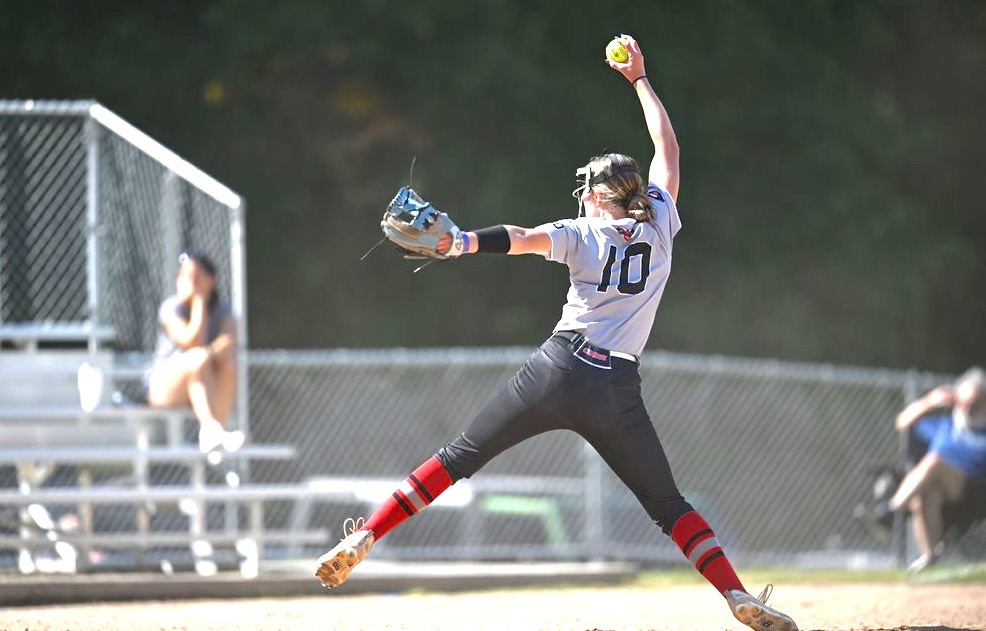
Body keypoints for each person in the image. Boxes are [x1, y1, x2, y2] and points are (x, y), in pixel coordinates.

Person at [316, 34, 798, 631]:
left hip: (558, 368)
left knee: (457, 457)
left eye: (587, 192)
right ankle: (735, 595)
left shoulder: (581, 232)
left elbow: (519, 236)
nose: (583, 198)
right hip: (616, 389)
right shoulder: (662, 225)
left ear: (598, 198)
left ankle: (366, 536)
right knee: (669, 507)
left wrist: (459, 242)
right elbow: (666, 146)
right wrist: (640, 80)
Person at [145, 251, 244, 454]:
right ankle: (211, 430)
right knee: (197, 357)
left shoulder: (223, 309)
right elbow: (193, 341)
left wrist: (209, 354)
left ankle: (217, 436)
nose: (189, 281)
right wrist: (199, 300)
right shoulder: (171, 308)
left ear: (211, 280)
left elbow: (229, 339)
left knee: (228, 363)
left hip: (201, 383)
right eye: (184, 275)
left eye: (196, 276)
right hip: (162, 388)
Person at [888, 366, 986, 571]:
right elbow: (902, 422)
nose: (968, 409)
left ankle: (892, 510)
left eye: (974, 404)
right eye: (964, 403)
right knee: (929, 491)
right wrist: (930, 401)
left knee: (935, 461)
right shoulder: (945, 426)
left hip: (977, 491)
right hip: (946, 493)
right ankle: (930, 556)